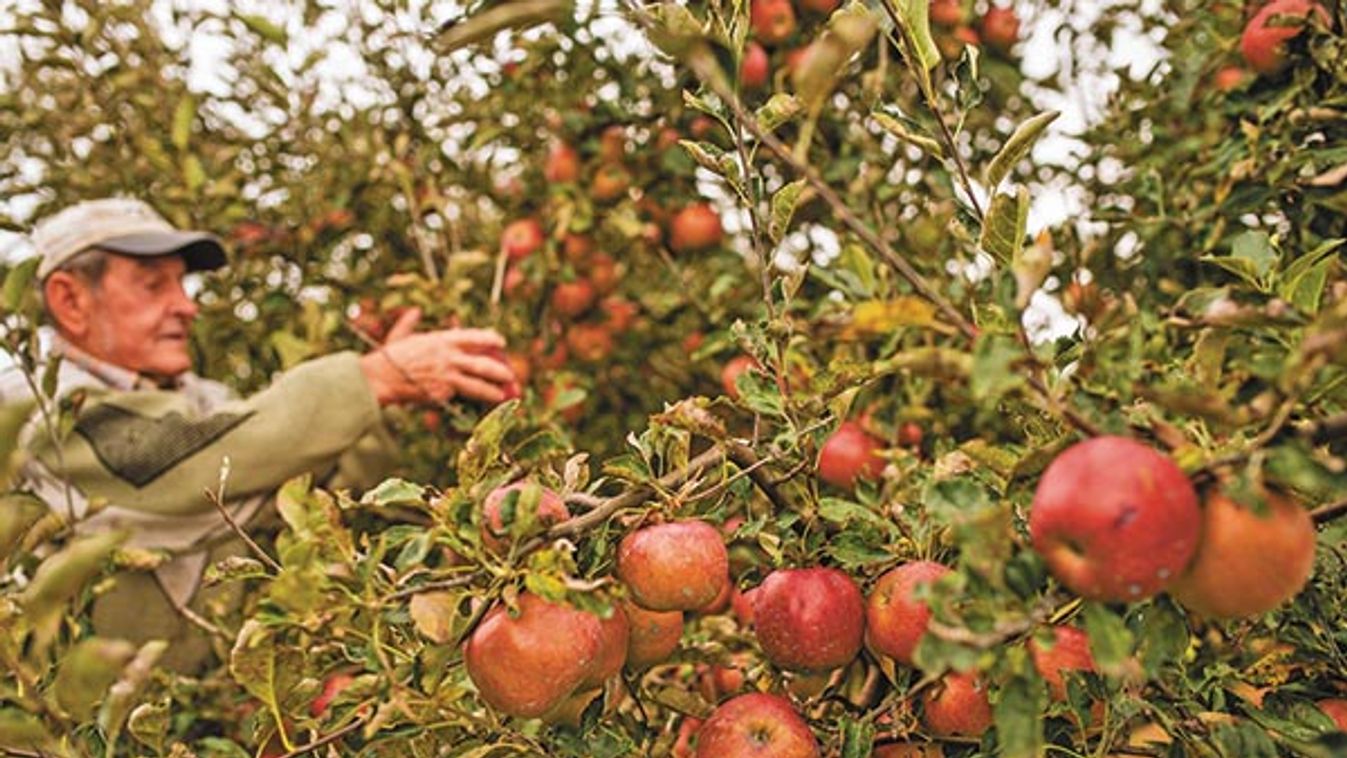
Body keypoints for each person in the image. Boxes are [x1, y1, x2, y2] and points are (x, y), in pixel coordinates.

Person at [1, 197, 517, 671]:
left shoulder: (204, 402)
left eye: (183, 284)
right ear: (70, 301)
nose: (186, 305)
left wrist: (393, 404)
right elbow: (190, 463)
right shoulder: (36, 411)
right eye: (153, 285)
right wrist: (371, 379)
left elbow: (305, 499)